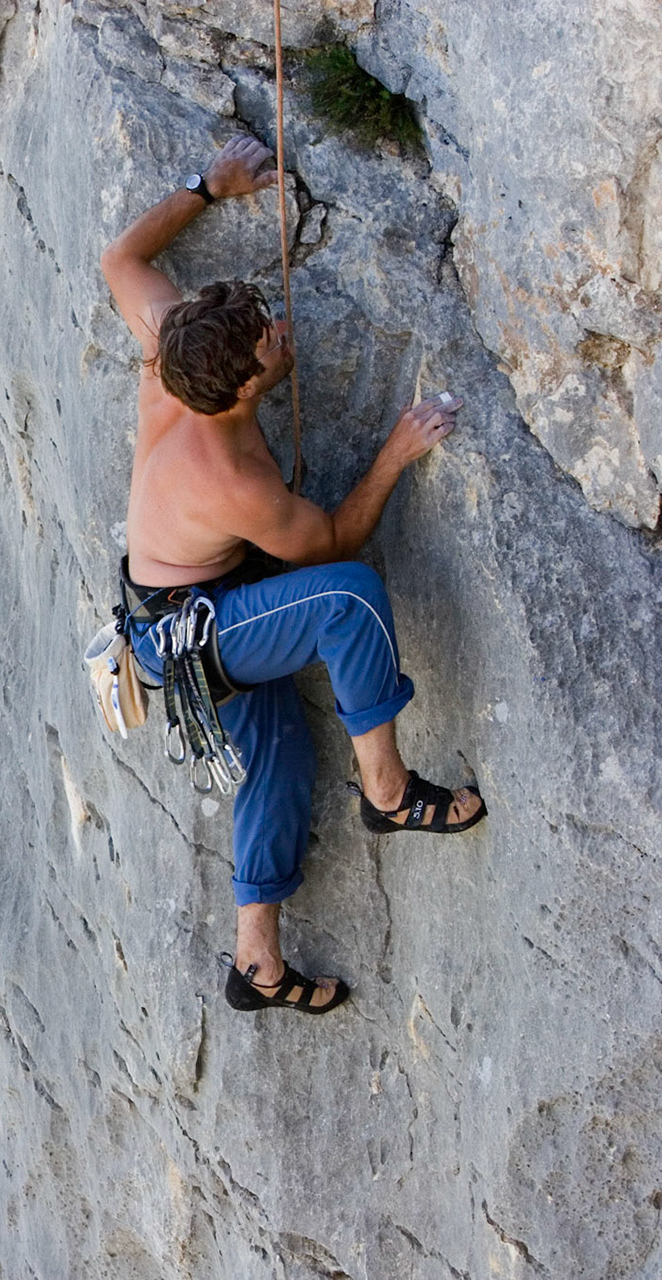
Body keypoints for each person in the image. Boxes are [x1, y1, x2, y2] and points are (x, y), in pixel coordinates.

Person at [99, 135, 486, 1016]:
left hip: (183, 618)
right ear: (242, 387)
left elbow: (120, 259)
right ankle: (389, 792)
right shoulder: (232, 483)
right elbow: (334, 545)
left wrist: (208, 185)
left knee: (277, 761)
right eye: (269, 339)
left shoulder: (171, 350)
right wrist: (394, 454)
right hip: (194, 631)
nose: (281, 333)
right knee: (349, 599)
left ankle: (257, 966)